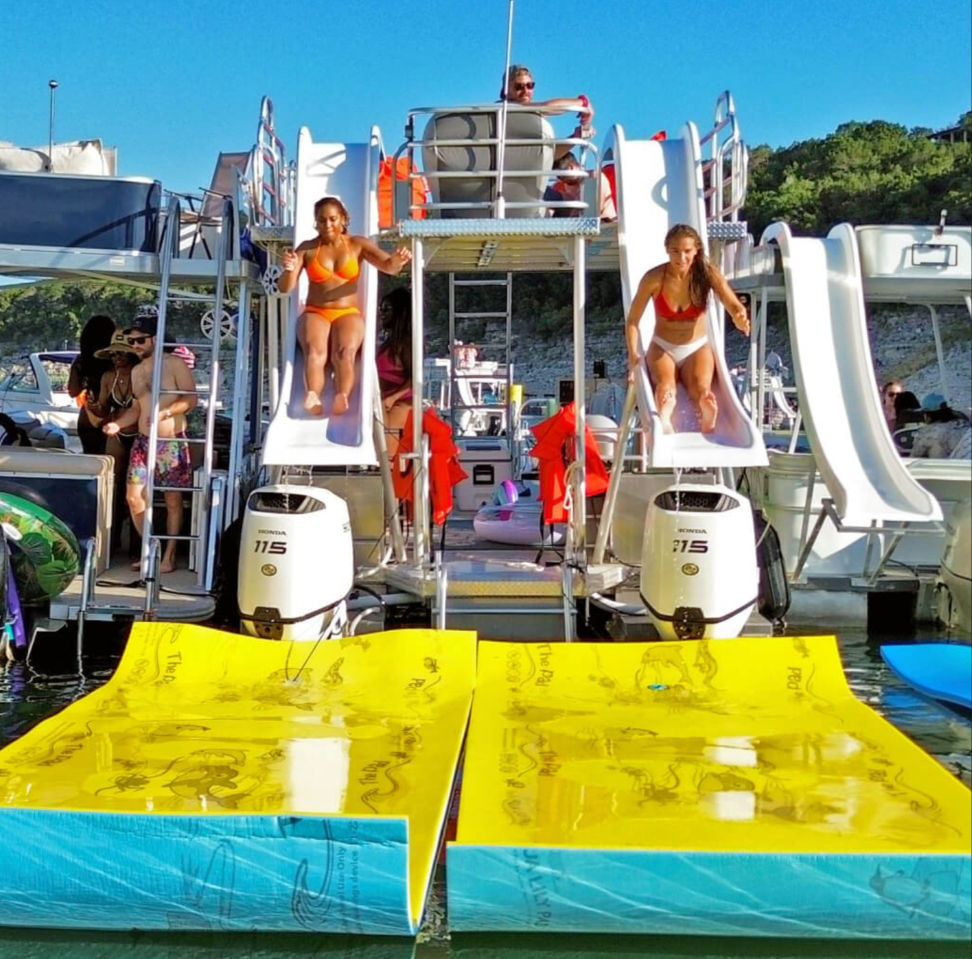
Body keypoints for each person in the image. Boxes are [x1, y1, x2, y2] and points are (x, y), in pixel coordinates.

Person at [279, 196, 412, 417]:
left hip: (347, 312)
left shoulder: (357, 244)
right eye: (321, 220)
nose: (327, 225)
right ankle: (313, 393)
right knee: (315, 351)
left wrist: (398, 260)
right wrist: (288, 269)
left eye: (332, 219)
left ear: (343, 219)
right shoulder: (307, 248)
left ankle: (342, 394)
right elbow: (285, 287)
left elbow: (388, 266)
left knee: (345, 352)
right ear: (316, 223)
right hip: (316, 311)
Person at [625, 224, 750, 434]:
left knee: (701, 389)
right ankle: (664, 416)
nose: (681, 258)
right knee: (665, 386)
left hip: (697, 347)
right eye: (675, 251)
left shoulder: (707, 274)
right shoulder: (654, 278)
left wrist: (739, 315)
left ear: (696, 250)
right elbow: (632, 321)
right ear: (667, 249)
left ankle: (706, 411)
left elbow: (732, 303)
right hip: (663, 347)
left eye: (687, 251)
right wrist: (633, 357)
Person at [103, 306, 197, 574]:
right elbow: (136, 407)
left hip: (171, 441)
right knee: (134, 497)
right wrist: (117, 424)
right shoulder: (136, 370)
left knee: (172, 501)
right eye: (131, 341)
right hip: (143, 442)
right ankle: (150, 549)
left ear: (156, 338)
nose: (134, 345)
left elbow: (191, 398)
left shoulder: (175, 364)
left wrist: (166, 411)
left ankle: (168, 555)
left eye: (140, 340)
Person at [94, 330, 140, 552]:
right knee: (112, 485)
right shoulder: (108, 377)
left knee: (136, 489)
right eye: (113, 354)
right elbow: (103, 408)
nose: (117, 358)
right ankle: (109, 543)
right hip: (115, 433)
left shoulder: (140, 374)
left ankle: (136, 544)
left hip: (139, 433)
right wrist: (93, 406)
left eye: (122, 354)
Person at [500, 64, 594, 161]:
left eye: (530, 85)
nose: (525, 90)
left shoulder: (532, 116)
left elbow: (550, 155)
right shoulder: (506, 109)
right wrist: (583, 102)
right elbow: (547, 107)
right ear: (507, 90)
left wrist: (575, 137)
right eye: (518, 87)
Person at [67, 314, 115, 454]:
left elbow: (73, 391)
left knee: (90, 459)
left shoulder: (81, 361)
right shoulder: (117, 360)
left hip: (88, 413)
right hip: (113, 413)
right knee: (112, 463)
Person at [376, 288, 413, 461]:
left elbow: (415, 378)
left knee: (388, 455)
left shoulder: (406, 342)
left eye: (387, 309)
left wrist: (391, 399)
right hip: (385, 400)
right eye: (381, 309)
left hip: (400, 402)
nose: (382, 313)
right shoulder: (389, 341)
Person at [910, 392, 971, 459]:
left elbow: (914, 457)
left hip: (940, 468)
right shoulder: (964, 425)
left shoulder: (926, 434)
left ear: (928, 414)